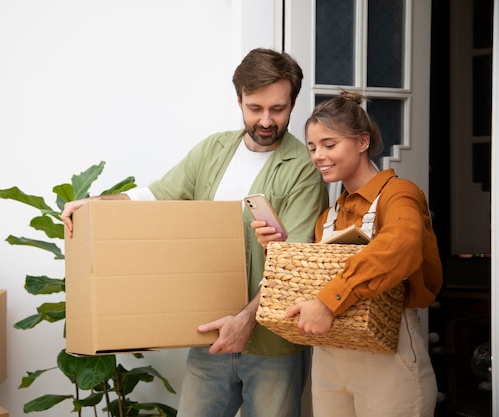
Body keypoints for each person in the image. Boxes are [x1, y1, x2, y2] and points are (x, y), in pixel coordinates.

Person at [61, 48, 329, 417]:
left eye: (277, 109)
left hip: (272, 347)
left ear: (292, 105)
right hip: (209, 339)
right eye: (255, 108)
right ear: (239, 100)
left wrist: (245, 321)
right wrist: (94, 204)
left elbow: (294, 267)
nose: (266, 120)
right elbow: (154, 195)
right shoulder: (214, 150)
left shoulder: (304, 169)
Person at [263, 91, 442, 417]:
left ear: (362, 142)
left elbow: (398, 249)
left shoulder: (399, 195)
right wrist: (280, 251)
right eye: (313, 146)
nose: (318, 155)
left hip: (388, 355)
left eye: (329, 145)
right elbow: (314, 281)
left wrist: (329, 301)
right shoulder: (329, 216)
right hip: (329, 356)